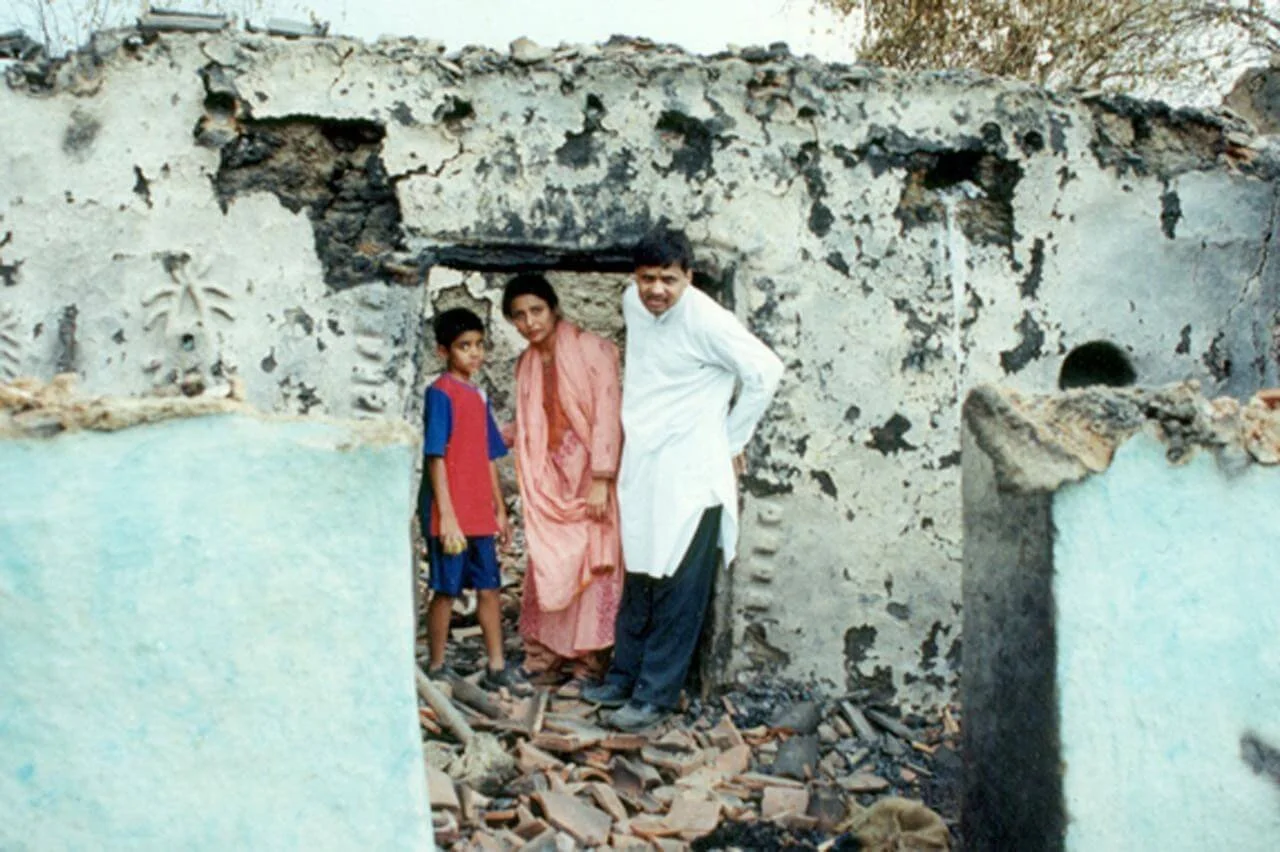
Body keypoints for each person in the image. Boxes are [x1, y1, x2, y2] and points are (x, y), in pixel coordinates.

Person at [582, 228, 784, 731]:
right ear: (634, 276)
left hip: (692, 472)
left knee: (677, 582)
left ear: (688, 277)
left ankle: (654, 696)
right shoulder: (634, 302)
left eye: (668, 280)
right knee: (643, 572)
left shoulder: (707, 320)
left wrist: (732, 440)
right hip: (645, 464)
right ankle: (624, 677)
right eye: (648, 278)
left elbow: (766, 370)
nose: (656, 290)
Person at [501, 274, 624, 696]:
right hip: (547, 479)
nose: (530, 322)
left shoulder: (595, 350)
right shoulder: (526, 364)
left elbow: (608, 414)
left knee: (592, 563)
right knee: (546, 564)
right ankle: (545, 659)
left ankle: (588, 665)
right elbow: (530, 422)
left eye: (536, 310)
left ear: (553, 308)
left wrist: (603, 479)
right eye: (519, 316)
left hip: (590, 474)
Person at [418, 307, 523, 692]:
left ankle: (497, 666)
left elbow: (489, 457)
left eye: (479, 345)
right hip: (451, 510)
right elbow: (436, 456)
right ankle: (438, 663)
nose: (475, 354)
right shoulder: (440, 394)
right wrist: (446, 516)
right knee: (446, 589)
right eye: (465, 347)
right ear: (444, 351)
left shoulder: (478, 396)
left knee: (490, 586)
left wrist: (499, 509)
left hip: (478, 508)